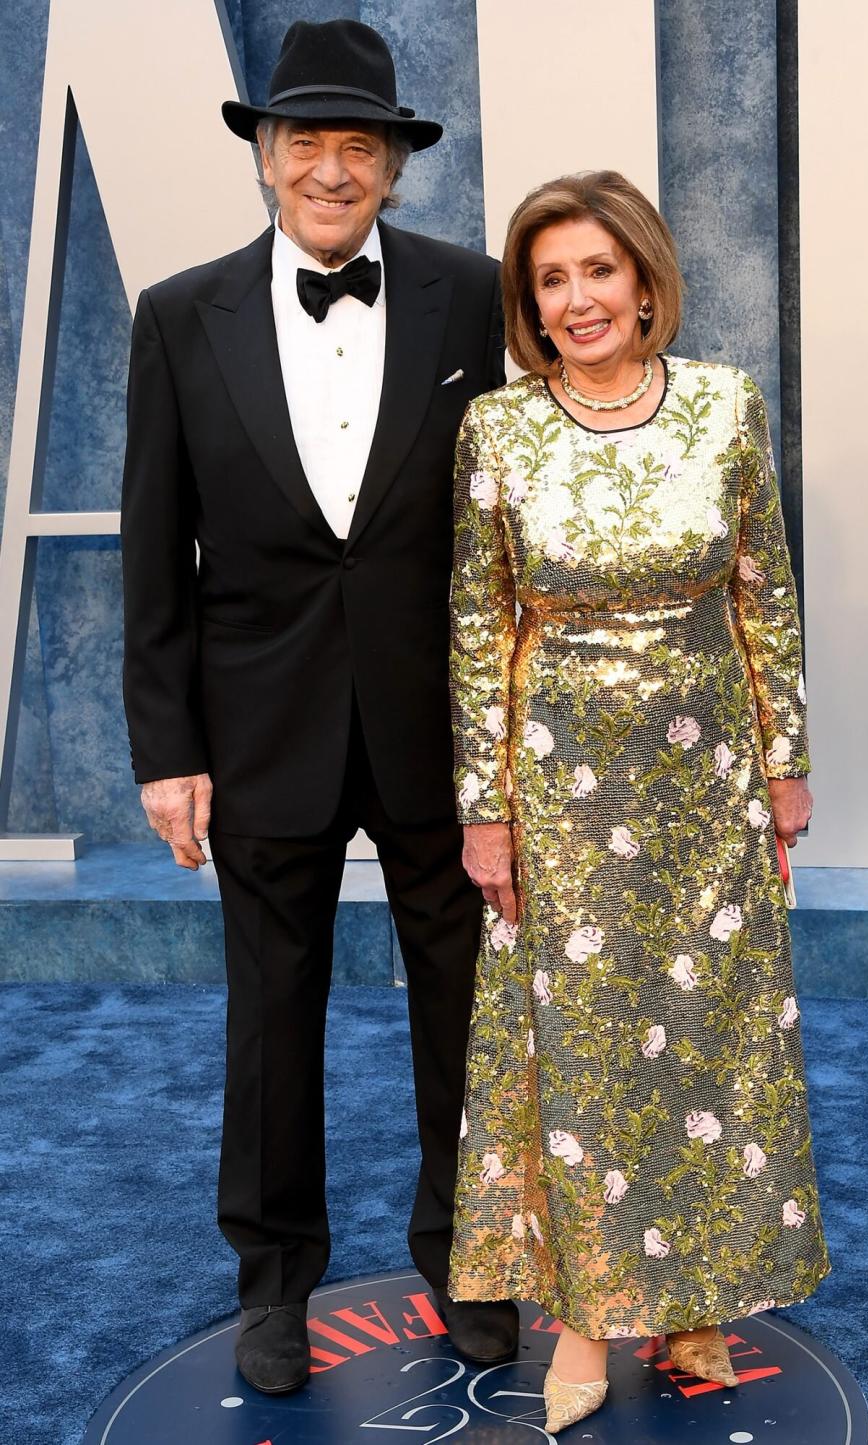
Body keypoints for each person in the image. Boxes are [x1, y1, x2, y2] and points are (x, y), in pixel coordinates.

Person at [121, 18, 517, 1395]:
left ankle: (470, 1258)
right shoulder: (179, 315)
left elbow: (508, 516)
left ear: (397, 169)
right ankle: (276, 1279)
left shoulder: (476, 298)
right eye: (309, 145)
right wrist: (166, 750)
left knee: (463, 1007)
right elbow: (153, 546)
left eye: (363, 147)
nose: (334, 170)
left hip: (439, 726)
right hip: (257, 726)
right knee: (269, 1015)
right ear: (267, 159)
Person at [447, 171, 830, 1433]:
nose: (577, 298)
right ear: (531, 304)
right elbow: (475, 623)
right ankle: (585, 1318)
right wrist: (483, 803)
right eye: (551, 279)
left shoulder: (725, 406)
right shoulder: (498, 432)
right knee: (590, 1050)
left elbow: (763, 588)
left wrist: (785, 760)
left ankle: (699, 1293)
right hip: (560, 783)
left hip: (708, 773)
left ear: (645, 279)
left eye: (597, 270)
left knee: (709, 1035)